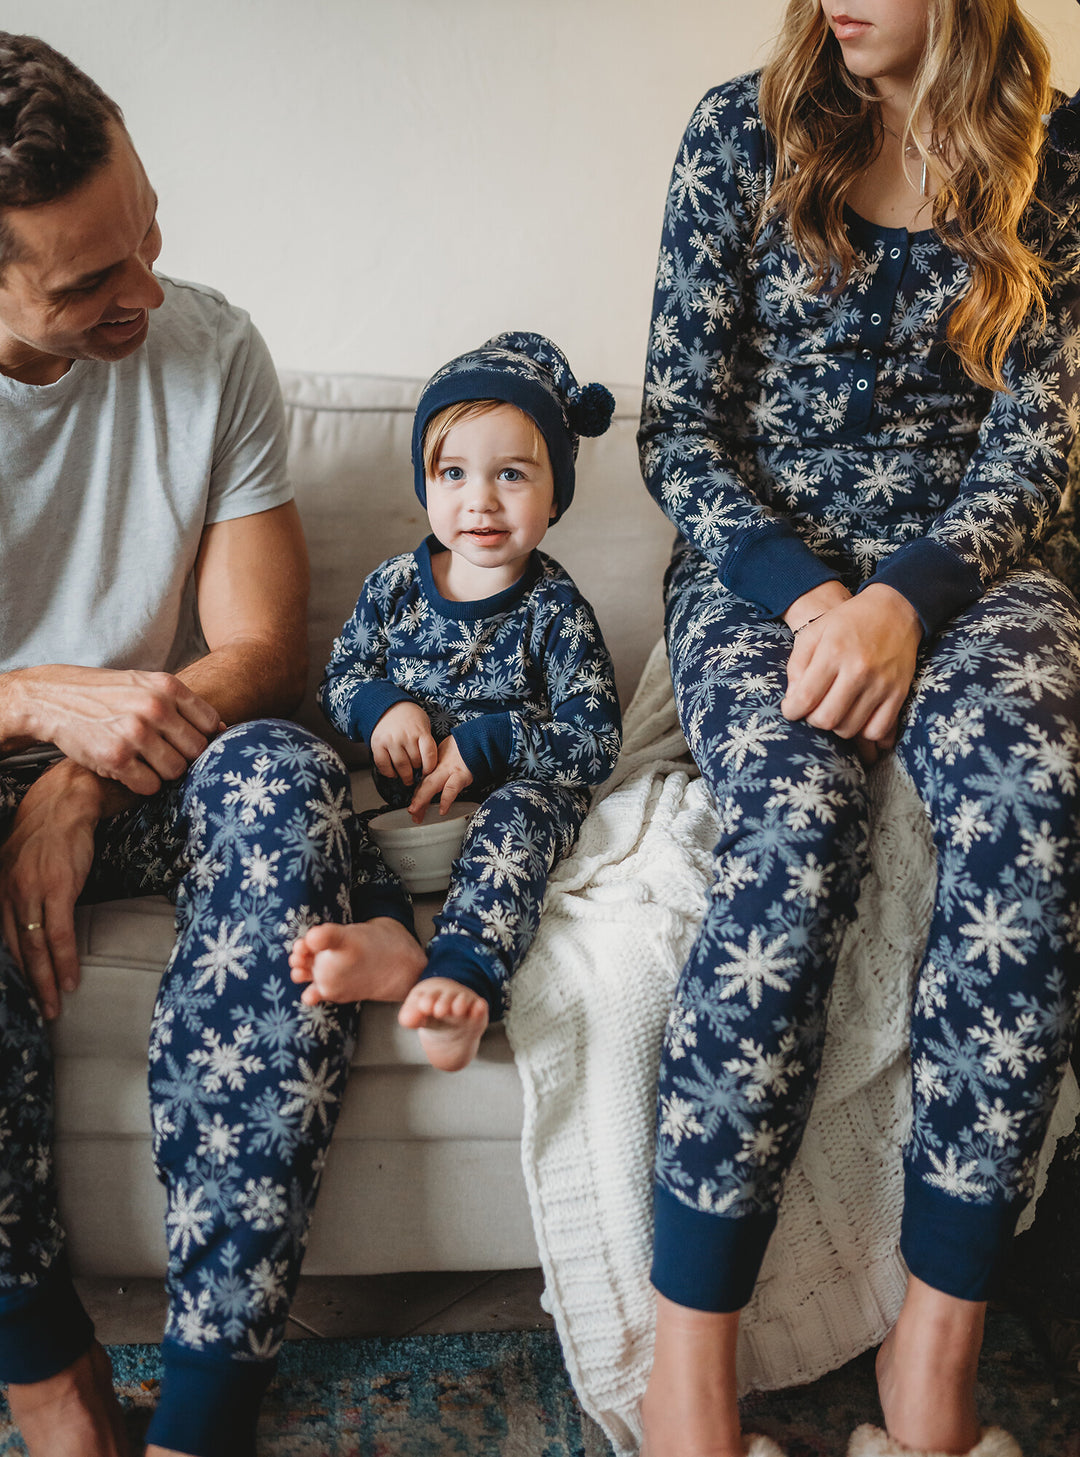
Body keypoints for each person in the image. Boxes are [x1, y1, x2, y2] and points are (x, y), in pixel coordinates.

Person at [635, 3, 1080, 1455]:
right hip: (765, 569)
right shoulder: (736, 132)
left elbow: (1041, 442)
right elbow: (680, 429)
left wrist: (908, 598)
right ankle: (688, 1382)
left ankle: (929, 1379)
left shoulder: (1056, 158)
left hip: (973, 574)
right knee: (799, 814)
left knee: (1029, 793)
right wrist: (814, 597)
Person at [0, 32, 426, 1457]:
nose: (146, 292)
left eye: (149, 235)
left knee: (292, 779)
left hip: (151, 756)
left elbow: (259, 655)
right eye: (88, 281)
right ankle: (57, 1399)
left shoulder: (208, 344)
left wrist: (78, 771)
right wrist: (32, 701)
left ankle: (198, 1414)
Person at [289, 333, 623, 1070]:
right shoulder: (394, 588)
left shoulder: (555, 610)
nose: (480, 500)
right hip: (409, 814)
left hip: (513, 799)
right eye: (453, 473)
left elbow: (596, 738)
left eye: (511, 474)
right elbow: (339, 678)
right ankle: (385, 932)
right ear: (426, 483)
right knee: (329, 817)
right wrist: (380, 708)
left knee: (517, 822)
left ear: (555, 493)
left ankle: (463, 976)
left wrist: (494, 742)